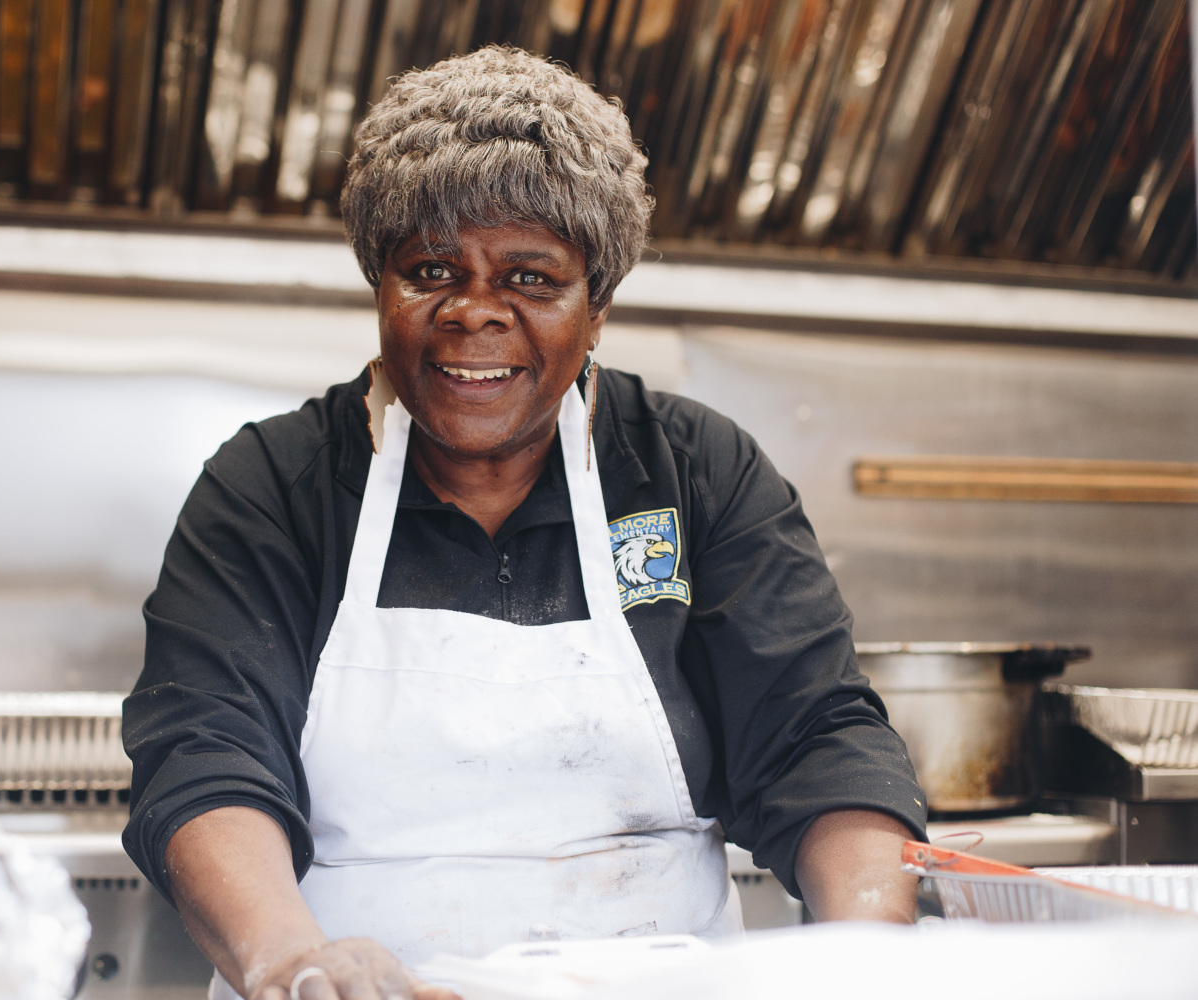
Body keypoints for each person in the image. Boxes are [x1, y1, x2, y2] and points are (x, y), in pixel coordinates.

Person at [123, 46, 927, 1000]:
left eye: (532, 278)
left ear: (600, 306)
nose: (474, 313)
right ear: (378, 287)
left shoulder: (694, 472)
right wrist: (293, 962)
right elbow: (205, 751)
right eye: (429, 270)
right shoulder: (274, 488)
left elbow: (818, 741)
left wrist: (868, 967)